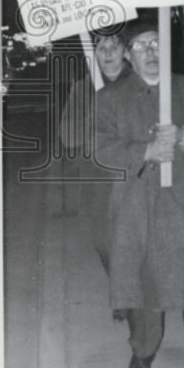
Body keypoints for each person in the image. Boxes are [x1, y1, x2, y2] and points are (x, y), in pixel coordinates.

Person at [94, 18, 184, 368]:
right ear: (127, 54)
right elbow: (101, 148)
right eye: (140, 46)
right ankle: (142, 350)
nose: (151, 52)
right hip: (136, 202)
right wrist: (145, 151)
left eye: (157, 43)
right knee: (141, 279)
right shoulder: (109, 98)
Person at [59, 29, 131, 276]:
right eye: (101, 48)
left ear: (126, 51)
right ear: (93, 54)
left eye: (114, 46)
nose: (108, 53)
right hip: (98, 177)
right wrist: (93, 115)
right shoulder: (82, 89)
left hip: (135, 174)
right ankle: (119, 284)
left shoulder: (143, 82)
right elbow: (68, 138)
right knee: (103, 239)